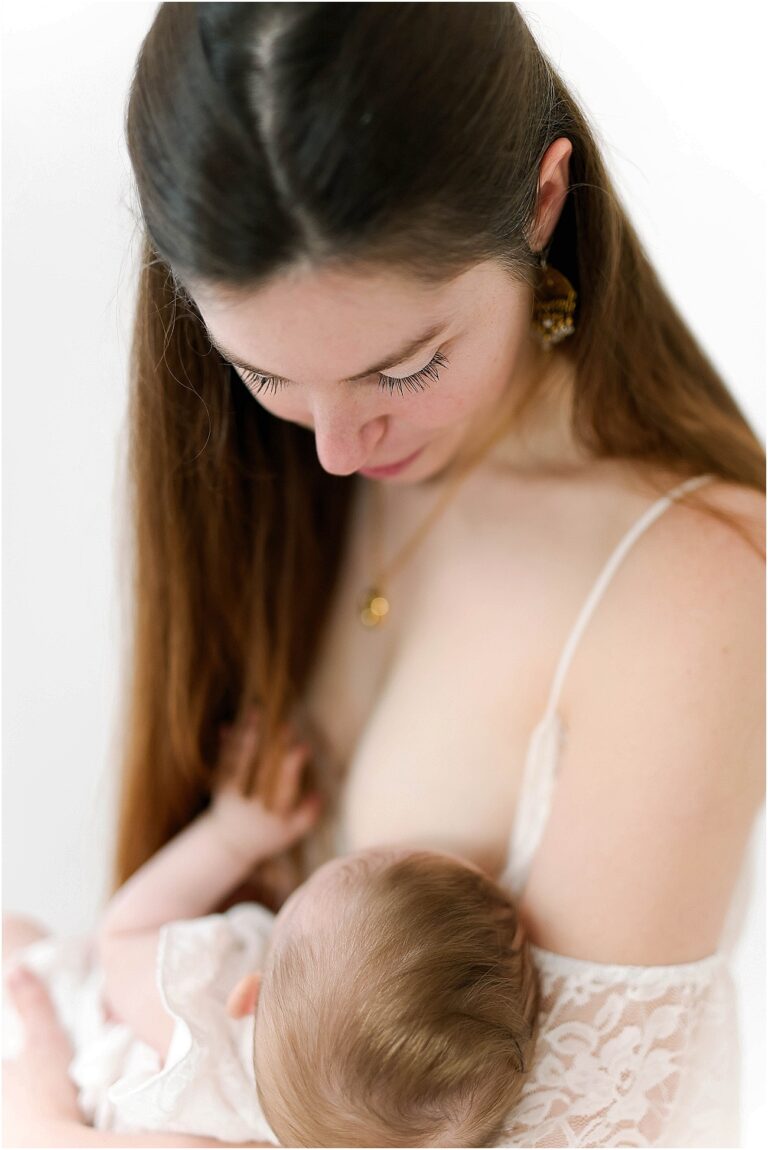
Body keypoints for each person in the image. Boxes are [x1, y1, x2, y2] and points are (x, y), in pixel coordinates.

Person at [4, 3, 764, 1147]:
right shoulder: (279, 479)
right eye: (263, 373)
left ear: (542, 207)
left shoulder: (690, 590)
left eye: (404, 369)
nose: (334, 450)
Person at [4, 708, 540, 1148]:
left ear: (248, 994)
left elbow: (123, 932)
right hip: (67, 1077)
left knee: (15, 936)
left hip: (43, 1043)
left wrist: (231, 838)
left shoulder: (200, 1014)